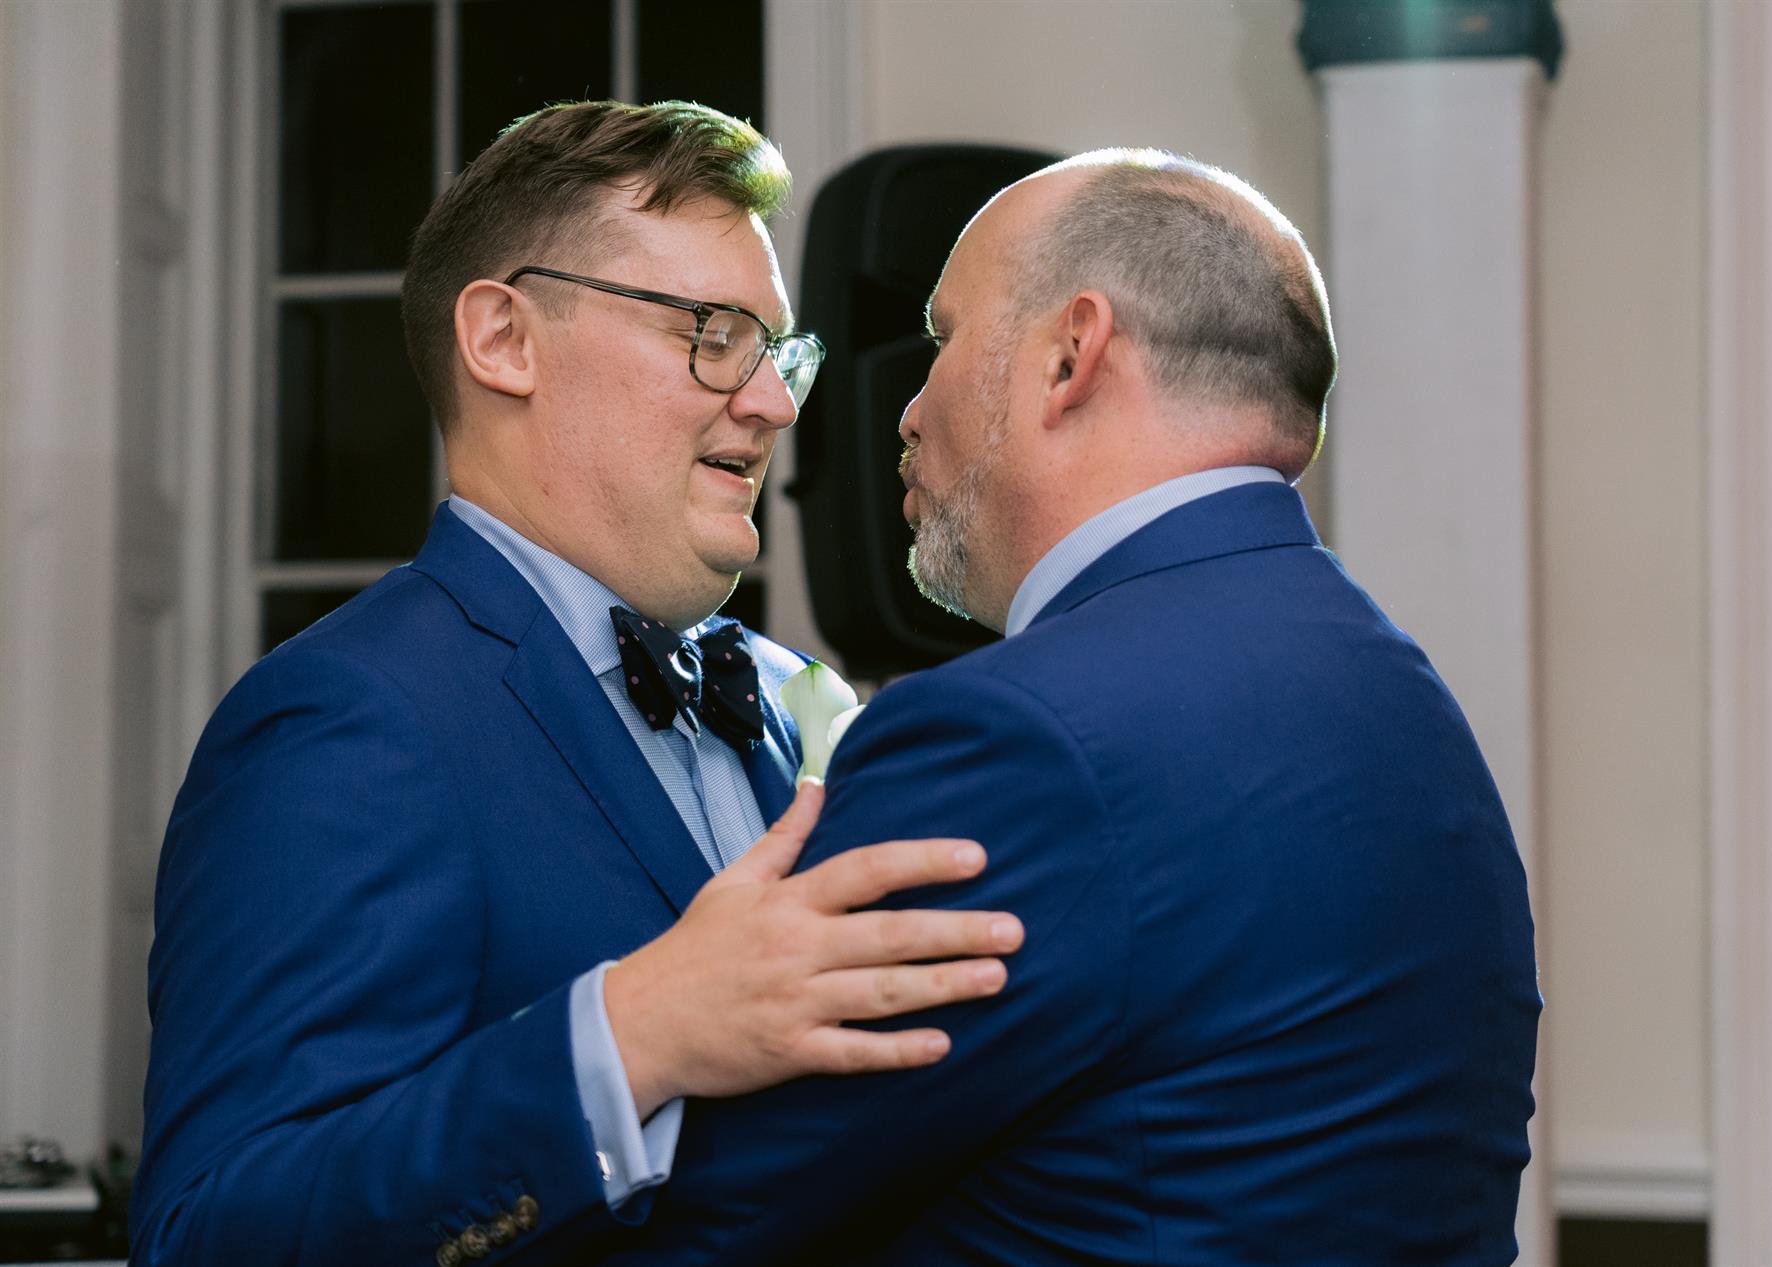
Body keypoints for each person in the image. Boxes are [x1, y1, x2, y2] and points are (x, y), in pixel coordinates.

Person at [130, 101, 1024, 1266]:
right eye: (712, 333)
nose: (772, 402)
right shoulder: (345, 723)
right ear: (505, 340)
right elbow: (211, 1234)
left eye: (778, 351)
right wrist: (631, 1034)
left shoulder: (795, 698)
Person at [610, 151, 1543, 1263]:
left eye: (942, 340)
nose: (906, 412)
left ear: (1070, 354)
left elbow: (726, 1217)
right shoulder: (1409, 705)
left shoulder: (1013, 739)